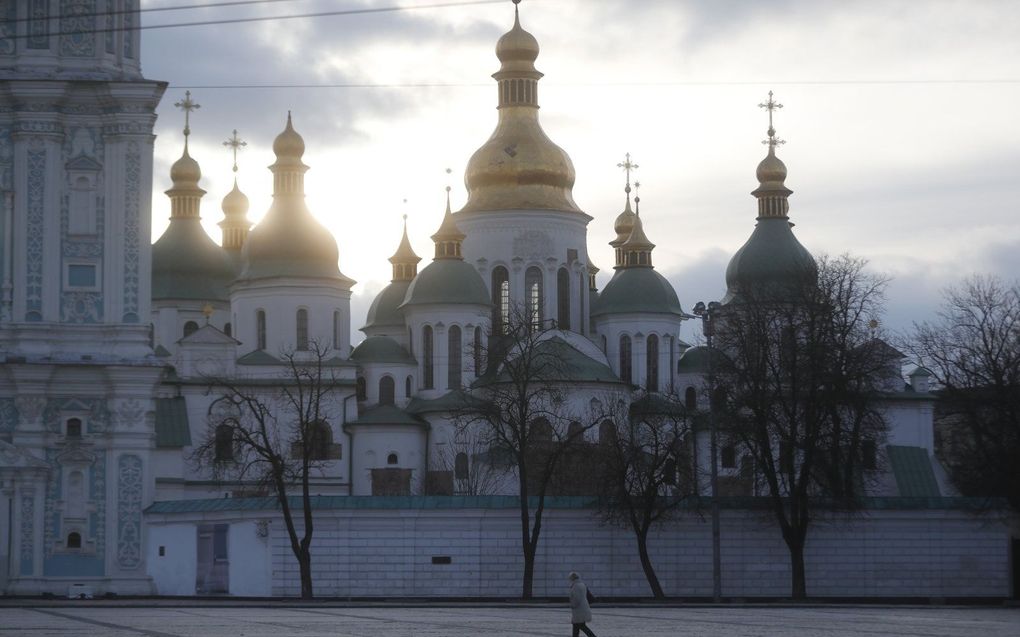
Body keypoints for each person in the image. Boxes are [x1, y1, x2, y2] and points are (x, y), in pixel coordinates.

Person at [567, 571, 597, 637]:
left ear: (572, 578)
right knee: (576, 626)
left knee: (581, 626)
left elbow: (577, 599)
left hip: (578, 610)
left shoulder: (575, 586)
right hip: (583, 608)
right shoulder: (582, 584)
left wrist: (572, 605)